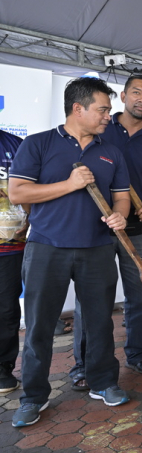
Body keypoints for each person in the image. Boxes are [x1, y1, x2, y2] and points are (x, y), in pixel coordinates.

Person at [9, 77, 131, 427]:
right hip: (47, 247)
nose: (109, 115)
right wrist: (70, 184)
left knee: (99, 322)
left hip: (97, 248)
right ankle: (33, 397)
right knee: (38, 328)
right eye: (103, 109)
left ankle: (104, 382)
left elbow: (121, 194)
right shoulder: (39, 144)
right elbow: (18, 193)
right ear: (78, 109)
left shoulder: (111, 151)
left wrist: (120, 211)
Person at [69, 74, 142, 388]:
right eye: (136, 92)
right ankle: (84, 364)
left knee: (140, 294)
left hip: (139, 229)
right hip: (97, 228)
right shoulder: (100, 126)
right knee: (91, 299)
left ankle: (137, 353)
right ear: (123, 96)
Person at [0, 130, 27, 394]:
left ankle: (2, 368)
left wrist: (28, 218)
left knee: (6, 309)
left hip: (9, 246)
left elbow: (29, 188)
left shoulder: (15, 145)